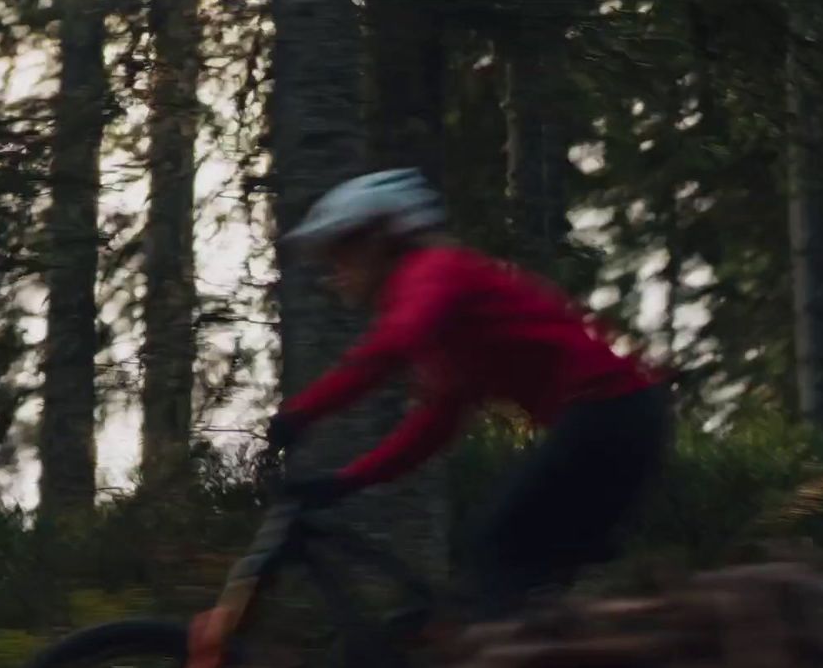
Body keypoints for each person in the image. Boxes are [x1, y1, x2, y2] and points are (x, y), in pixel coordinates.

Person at [267, 168, 671, 623]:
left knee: (496, 545)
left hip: (611, 414)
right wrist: (348, 480)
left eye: (341, 255)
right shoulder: (445, 318)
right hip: (618, 417)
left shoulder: (435, 272)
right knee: (510, 568)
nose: (334, 276)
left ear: (380, 239)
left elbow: (393, 343)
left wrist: (302, 412)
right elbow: (436, 420)